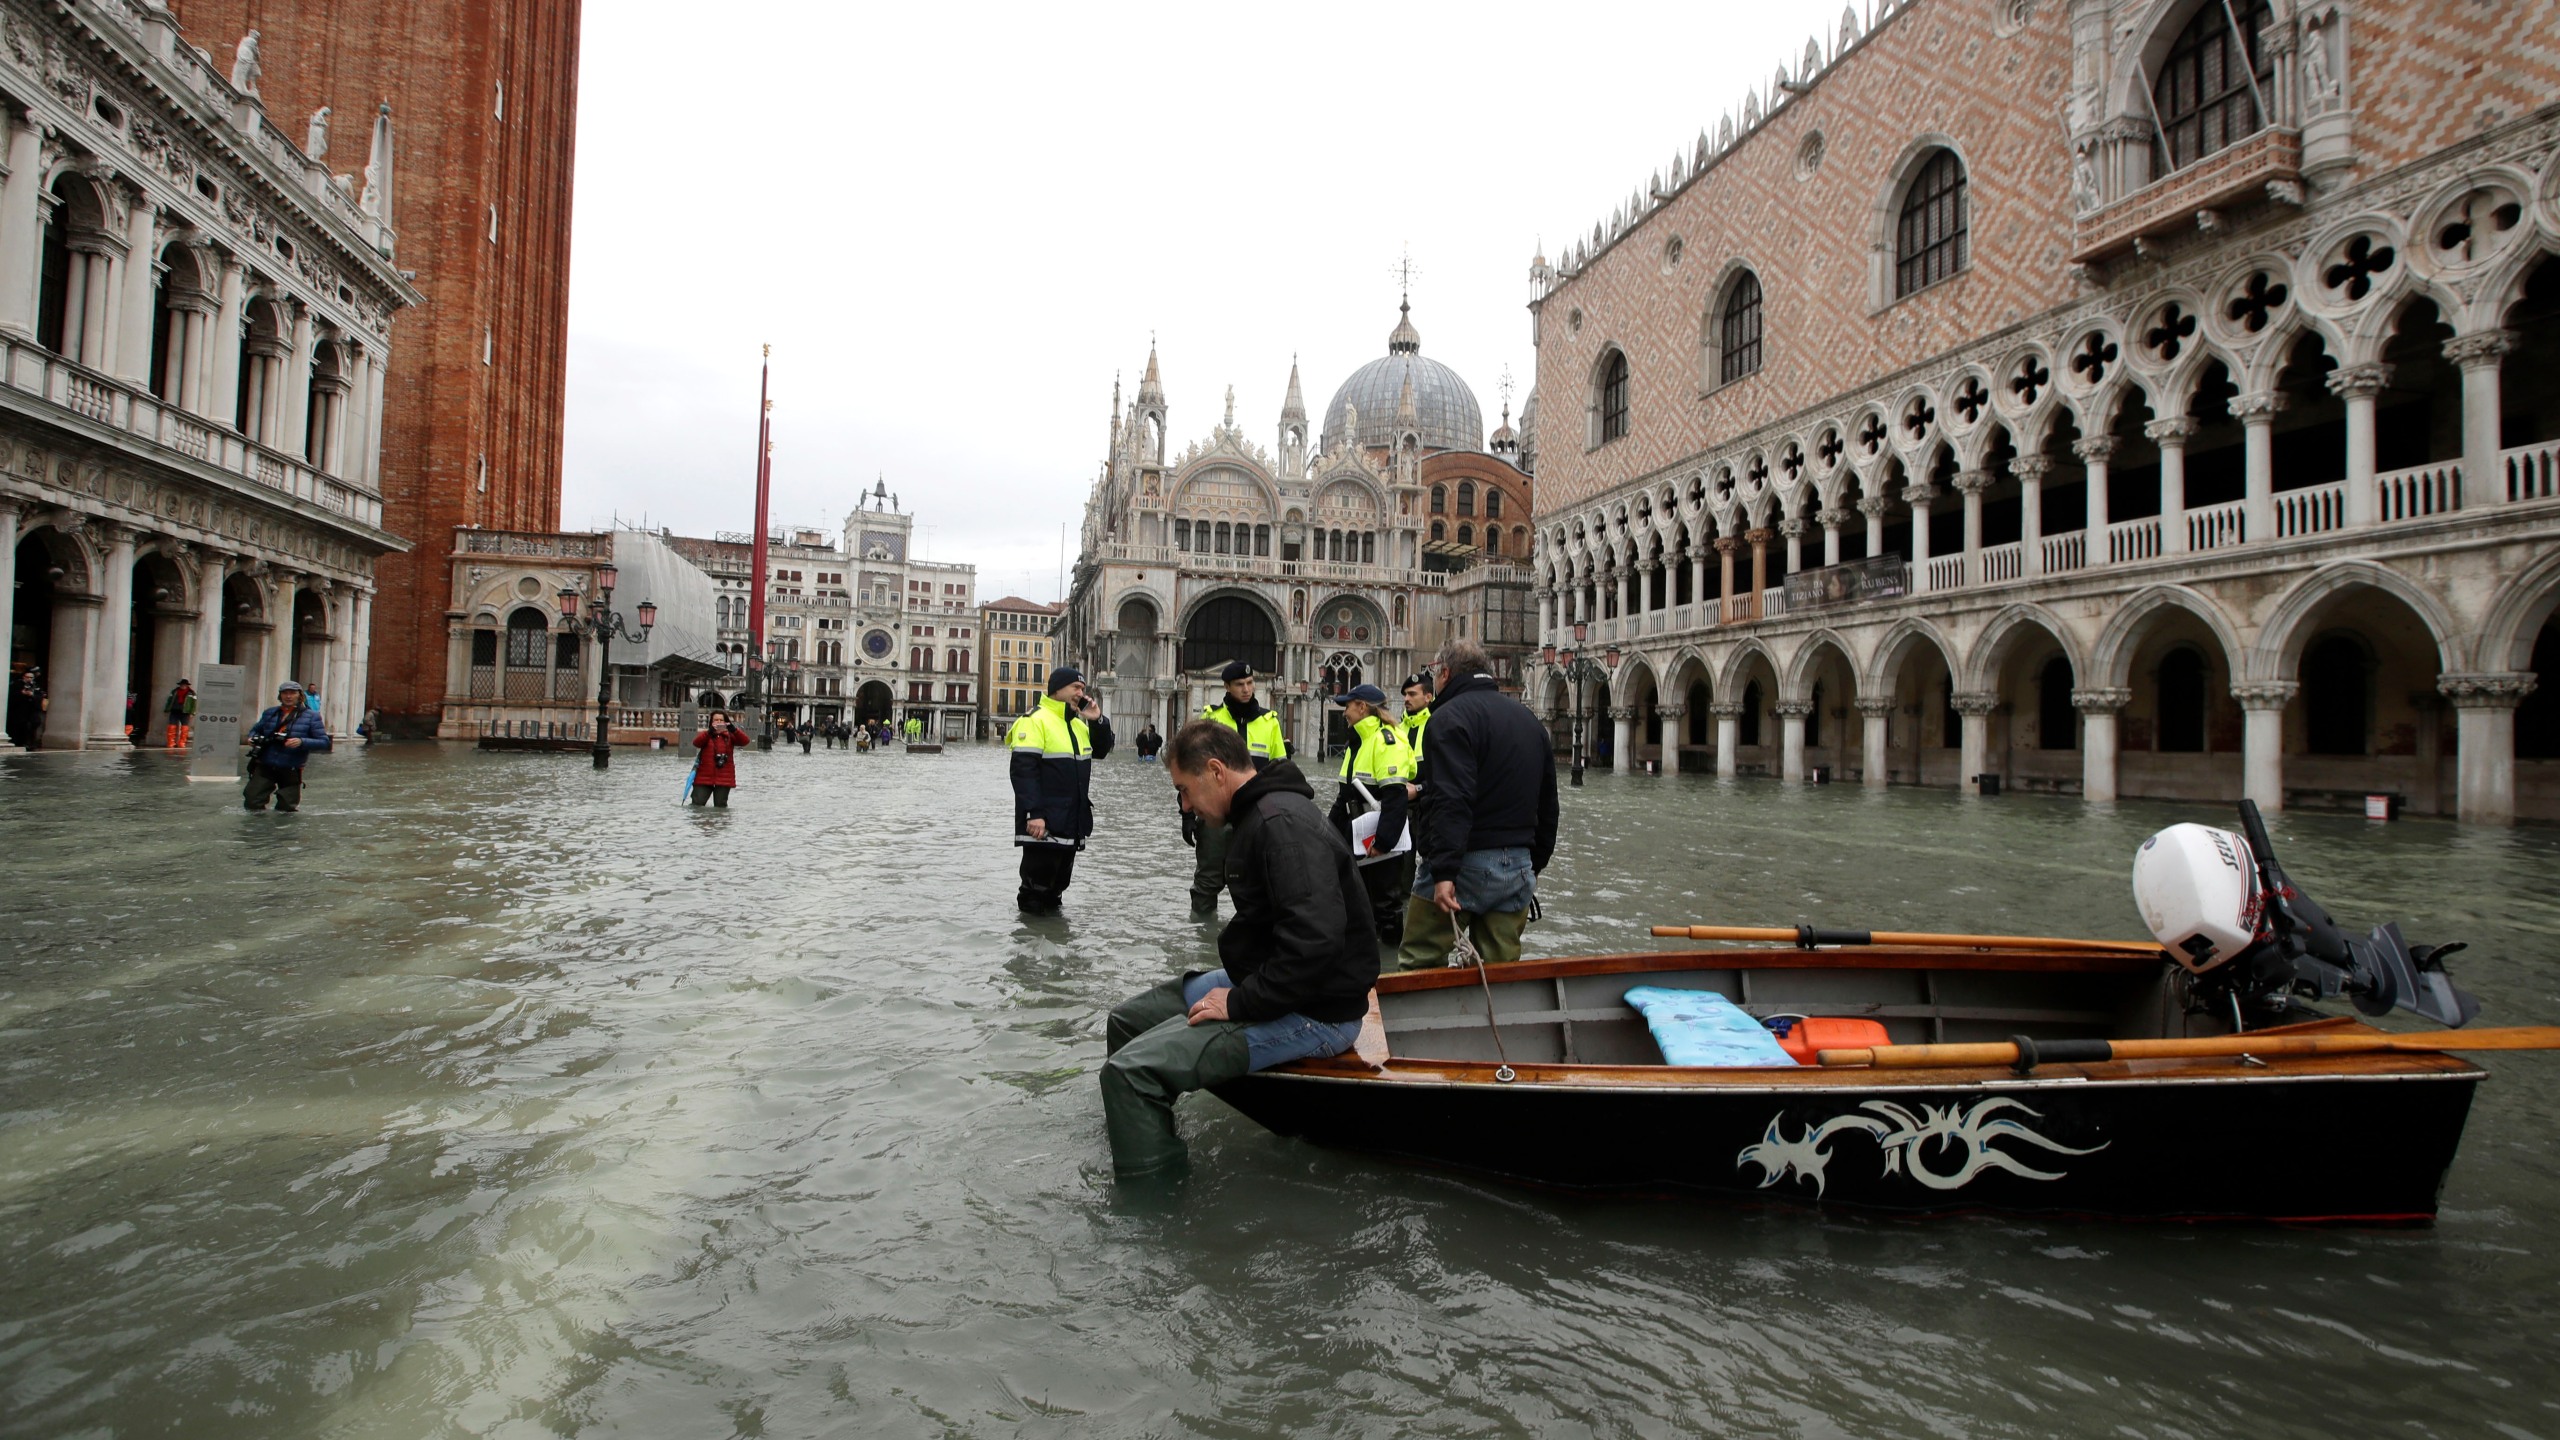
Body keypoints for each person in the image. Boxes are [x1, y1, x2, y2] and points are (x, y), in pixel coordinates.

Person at [1100, 720, 1378, 1177]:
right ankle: (1132, 1133)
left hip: (1319, 1011)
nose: (1185, 807)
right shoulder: (1259, 815)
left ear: (1215, 771)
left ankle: (1151, 1214)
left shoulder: (1281, 826)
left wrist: (1239, 1001)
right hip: (1275, 983)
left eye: (1185, 791)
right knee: (1127, 1022)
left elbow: (1315, 943)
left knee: (1131, 1075)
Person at [1395, 639, 1559, 971]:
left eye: (1433, 674)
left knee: (1421, 962)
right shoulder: (1529, 721)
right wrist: (1534, 864)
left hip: (1461, 865)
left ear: (1444, 673)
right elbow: (1548, 805)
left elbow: (1451, 799)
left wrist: (1443, 871)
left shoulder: (1447, 718)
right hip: (1517, 866)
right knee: (1499, 971)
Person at [1185, 659, 1287, 919]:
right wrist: (1186, 813)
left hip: (1257, 817)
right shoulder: (1211, 719)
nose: (1246, 689)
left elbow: (1281, 771)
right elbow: (1192, 769)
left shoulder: (1269, 722)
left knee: (1261, 884)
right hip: (1216, 817)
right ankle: (1204, 940)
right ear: (1227, 687)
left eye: (1250, 683)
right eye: (1240, 684)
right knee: (1207, 883)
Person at [1009, 666, 1112, 913]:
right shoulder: (1035, 720)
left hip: (1071, 822)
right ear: (1057, 689)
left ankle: (1054, 943)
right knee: (1036, 890)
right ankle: (1031, 942)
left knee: (1056, 888)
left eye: (1083, 689)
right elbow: (1024, 771)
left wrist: (1097, 719)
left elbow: (1102, 750)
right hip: (1043, 823)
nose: (1081, 693)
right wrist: (1034, 813)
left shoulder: (1078, 724)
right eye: (1075, 687)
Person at [1327, 684, 1417, 943]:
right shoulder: (1357, 742)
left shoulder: (1386, 740)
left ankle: (1389, 963)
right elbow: (1343, 796)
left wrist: (1383, 843)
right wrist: (1328, 833)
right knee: (1356, 899)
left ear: (1362, 706)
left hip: (1378, 838)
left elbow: (1395, 797)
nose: (1344, 712)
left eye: (1347, 706)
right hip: (1355, 833)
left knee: (1385, 903)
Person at [243, 679, 331, 812]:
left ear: (300, 695)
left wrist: (302, 742)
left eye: (292, 693)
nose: (288, 696)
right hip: (265, 763)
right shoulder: (270, 713)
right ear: (280, 695)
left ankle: (282, 832)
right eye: (285, 693)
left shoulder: (312, 716)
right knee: (252, 799)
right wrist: (251, 737)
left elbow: (324, 742)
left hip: (291, 767)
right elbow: (256, 729)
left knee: (286, 808)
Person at [691, 709, 745, 806]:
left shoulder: (730, 736)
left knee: (721, 806)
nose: (718, 722)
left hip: (724, 777)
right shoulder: (706, 735)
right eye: (716, 720)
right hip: (704, 776)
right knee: (697, 803)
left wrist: (734, 730)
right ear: (711, 722)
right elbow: (696, 743)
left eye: (721, 720)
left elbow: (745, 741)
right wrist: (709, 732)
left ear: (725, 722)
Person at [7, 666, 46, 747]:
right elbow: (11, 696)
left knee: (33, 725)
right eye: (27, 677)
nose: (29, 679)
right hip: (19, 710)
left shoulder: (36, 686)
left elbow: (40, 696)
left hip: (32, 711)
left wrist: (32, 695)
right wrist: (22, 694)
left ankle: (29, 743)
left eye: (31, 677)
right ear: (23, 677)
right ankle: (19, 742)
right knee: (20, 726)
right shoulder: (17, 684)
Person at [1401, 671, 1434, 763]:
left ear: (1428, 697)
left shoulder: (1436, 726)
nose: (1406, 699)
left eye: (1412, 694)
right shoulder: (1397, 729)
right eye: (1405, 694)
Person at [163, 678, 197, 750]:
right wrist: (167, 709)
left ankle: (182, 742)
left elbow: (194, 704)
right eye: (182, 685)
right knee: (171, 726)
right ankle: (171, 742)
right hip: (174, 710)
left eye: (184, 685)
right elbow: (169, 700)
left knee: (184, 728)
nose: (183, 686)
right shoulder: (174, 691)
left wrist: (192, 712)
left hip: (185, 711)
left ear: (187, 685)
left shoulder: (192, 693)